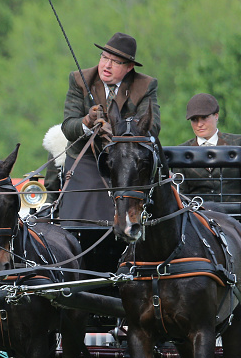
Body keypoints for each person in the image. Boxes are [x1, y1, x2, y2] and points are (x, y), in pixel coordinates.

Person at [52, 32, 161, 226]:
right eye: (104, 58)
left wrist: (119, 129)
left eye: (116, 62)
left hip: (127, 159)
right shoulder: (79, 80)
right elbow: (68, 127)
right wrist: (87, 121)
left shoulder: (145, 85)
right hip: (87, 158)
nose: (107, 66)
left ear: (129, 67)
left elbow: (153, 126)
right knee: (79, 219)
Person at [175, 93, 241, 217]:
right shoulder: (182, 152)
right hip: (196, 219)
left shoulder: (238, 143)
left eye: (204, 118)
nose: (199, 124)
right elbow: (179, 192)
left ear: (216, 116)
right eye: (194, 119)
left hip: (234, 217)